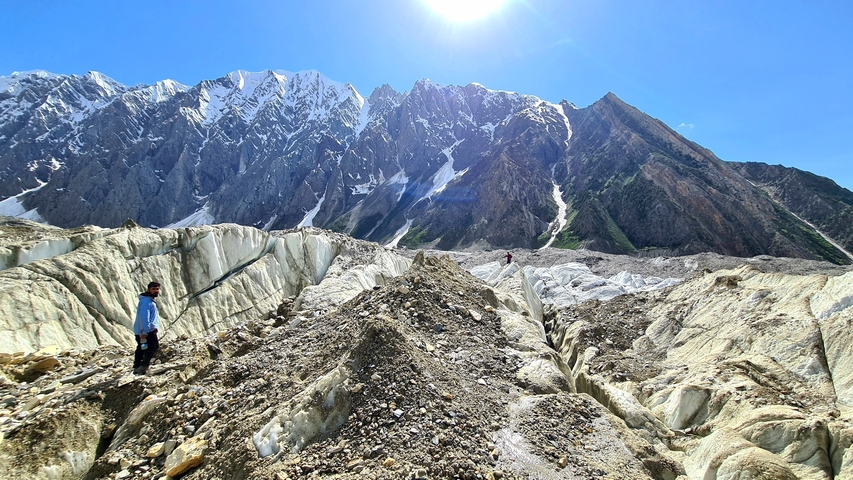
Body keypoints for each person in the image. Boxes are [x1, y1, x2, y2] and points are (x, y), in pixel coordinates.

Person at [133, 281, 161, 375]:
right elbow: (144, 317)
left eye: (157, 289)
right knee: (153, 347)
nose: (156, 291)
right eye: (153, 289)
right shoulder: (147, 301)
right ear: (148, 289)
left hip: (145, 329)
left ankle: (137, 366)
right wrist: (144, 331)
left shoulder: (148, 300)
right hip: (146, 330)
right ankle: (143, 366)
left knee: (142, 347)